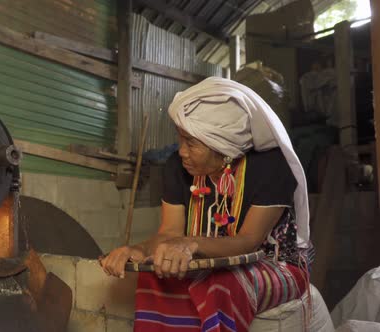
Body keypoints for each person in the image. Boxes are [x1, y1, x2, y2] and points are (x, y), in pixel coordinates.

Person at [100, 77, 313, 332]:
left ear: (223, 148)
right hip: (206, 262)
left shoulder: (270, 167)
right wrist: (138, 249)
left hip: (273, 264)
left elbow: (249, 241)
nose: (181, 151)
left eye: (191, 143)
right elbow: (169, 233)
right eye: (180, 139)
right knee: (151, 277)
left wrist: (192, 244)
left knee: (221, 285)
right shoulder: (177, 168)